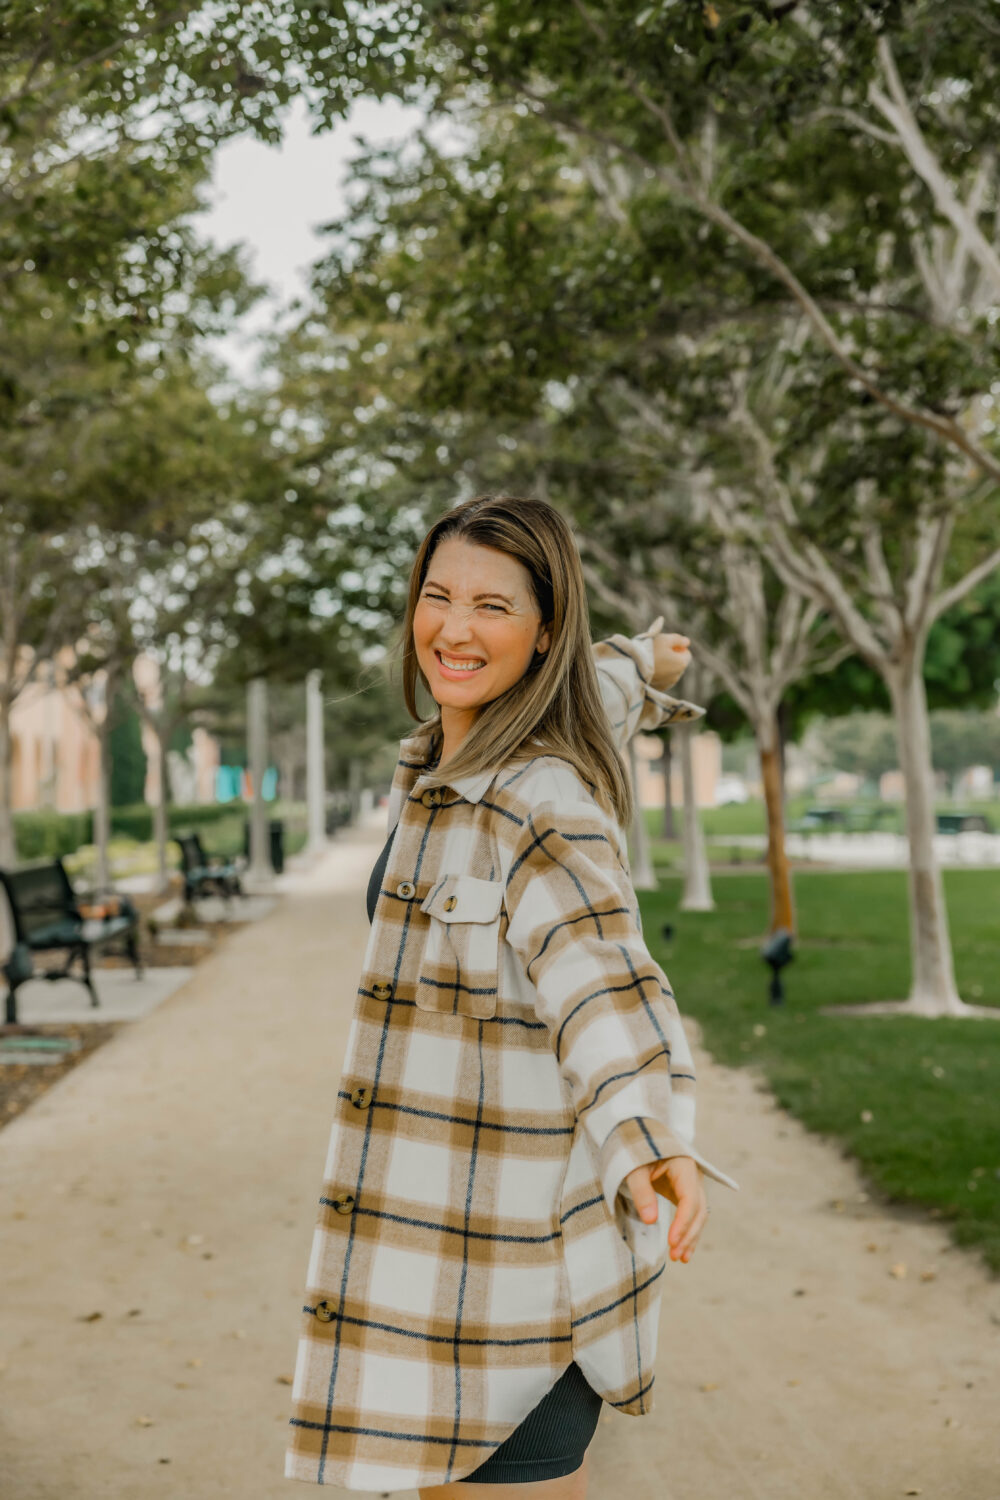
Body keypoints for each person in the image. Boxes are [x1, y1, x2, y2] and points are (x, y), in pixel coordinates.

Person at [284, 494, 740, 1498]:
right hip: (417, 1263)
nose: (454, 628)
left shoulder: (544, 802)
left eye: (493, 607)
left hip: (516, 1273)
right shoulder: (437, 766)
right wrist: (649, 660)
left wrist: (648, 1140)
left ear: (542, 636)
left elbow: (604, 984)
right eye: (437, 597)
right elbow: (608, 680)